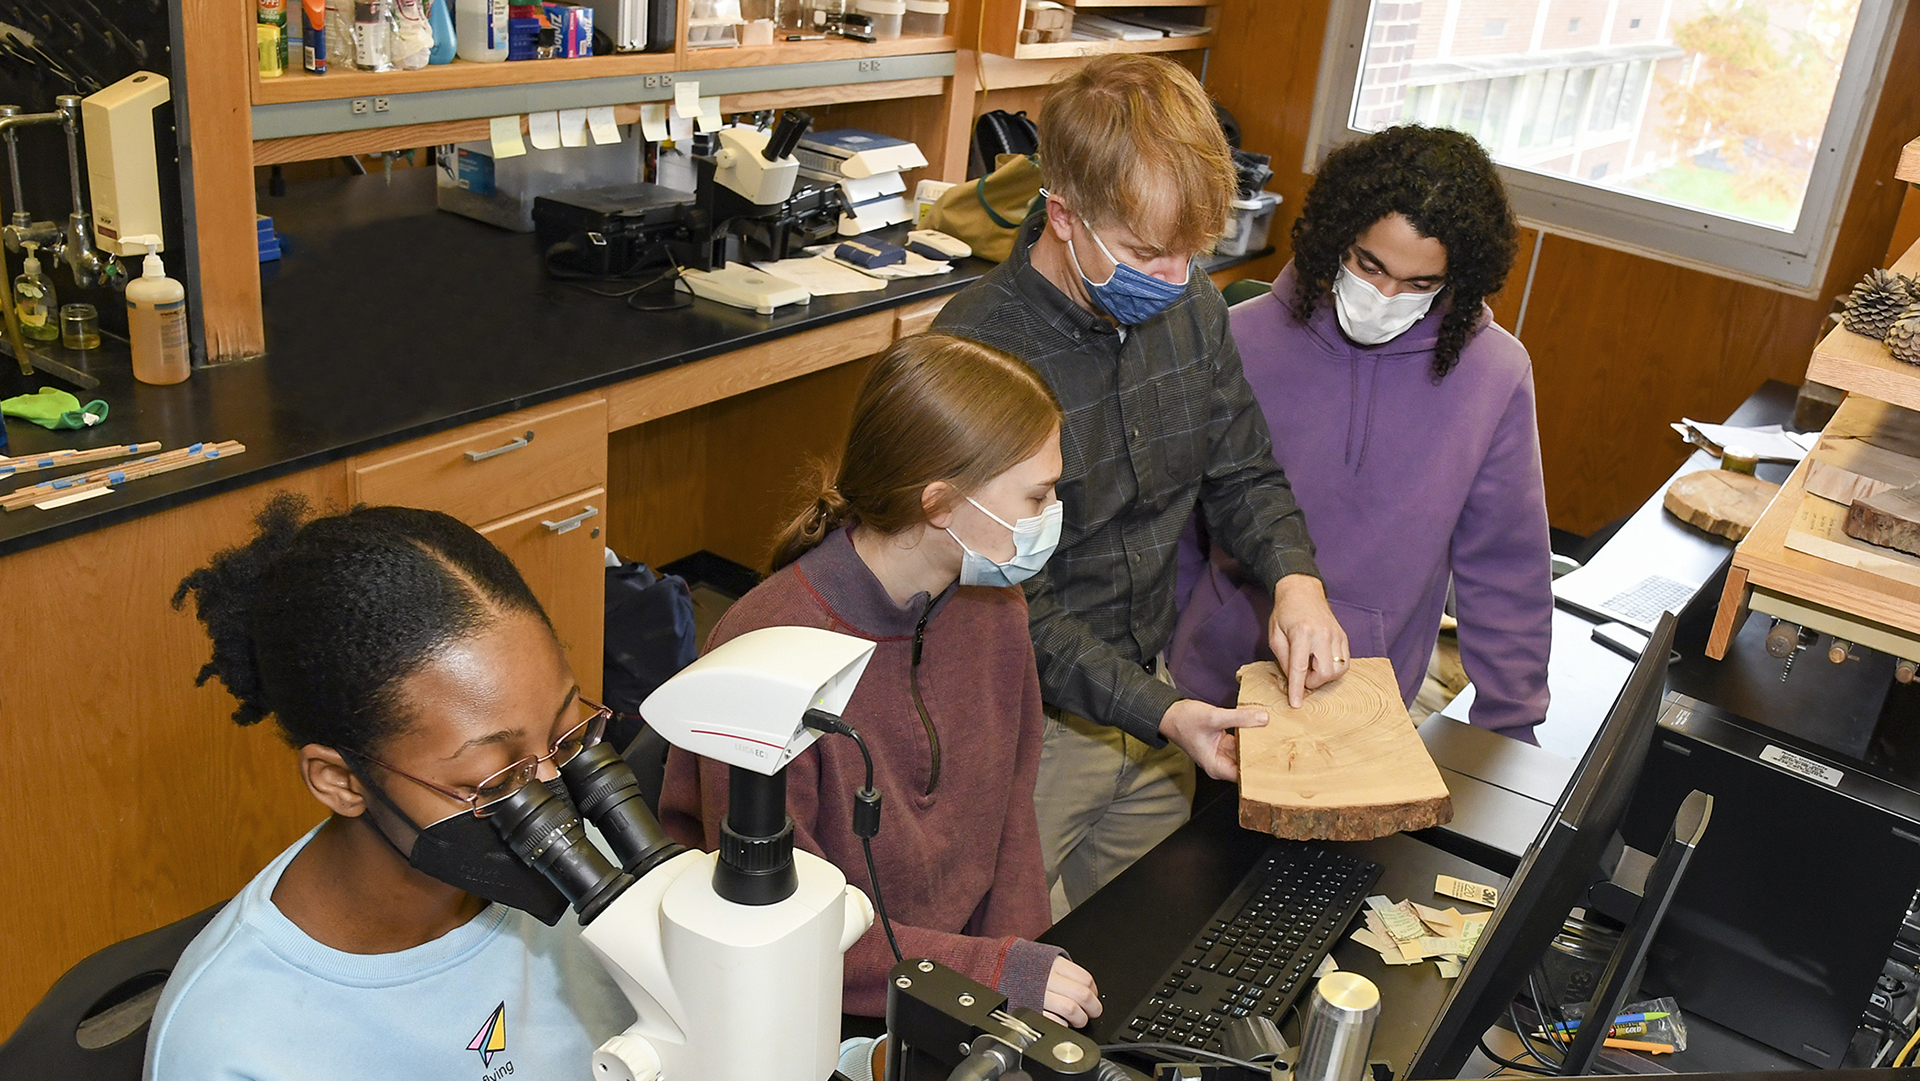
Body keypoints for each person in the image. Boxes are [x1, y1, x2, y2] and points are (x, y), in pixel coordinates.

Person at [932, 55, 1349, 912]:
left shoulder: (1186, 304)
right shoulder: (977, 354)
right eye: (1146, 254)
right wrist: (1161, 710)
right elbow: (1006, 603)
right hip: (1023, 723)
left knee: (1135, 937)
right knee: (1007, 961)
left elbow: (1241, 467)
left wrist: (1297, 582)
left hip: (1156, 695)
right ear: (1062, 215)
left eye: (1190, 254)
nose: (1174, 279)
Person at [657, 333, 1103, 1026]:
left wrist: (1021, 969)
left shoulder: (997, 614)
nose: (1050, 518)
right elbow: (782, 934)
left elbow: (1013, 818)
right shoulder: (765, 652)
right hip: (812, 1009)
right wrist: (991, 973)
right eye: (1038, 494)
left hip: (955, 992)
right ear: (941, 504)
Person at [149, 496, 633, 1080]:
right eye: (498, 776)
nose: (552, 792)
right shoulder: (236, 1044)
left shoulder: (582, 850)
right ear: (341, 781)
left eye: (563, 731)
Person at [1168, 125, 1552, 744]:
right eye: (1369, 265)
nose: (1385, 296)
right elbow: (1181, 519)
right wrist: (1181, 639)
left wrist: (1509, 726)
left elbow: (1506, 565)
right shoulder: (1238, 338)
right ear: (1336, 236)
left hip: (1368, 706)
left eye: (1420, 284)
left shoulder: (1495, 375)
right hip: (1213, 689)